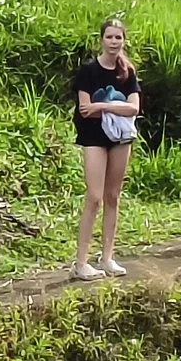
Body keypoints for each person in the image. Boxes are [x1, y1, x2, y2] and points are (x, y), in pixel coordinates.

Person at [70, 17, 141, 280]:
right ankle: (81, 261)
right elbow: (84, 109)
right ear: (101, 39)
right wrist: (110, 109)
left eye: (118, 37)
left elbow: (134, 107)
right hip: (93, 137)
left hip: (121, 138)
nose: (114, 42)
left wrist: (103, 107)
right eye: (109, 37)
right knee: (95, 196)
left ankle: (108, 257)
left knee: (113, 196)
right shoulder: (88, 71)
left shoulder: (127, 72)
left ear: (124, 40)